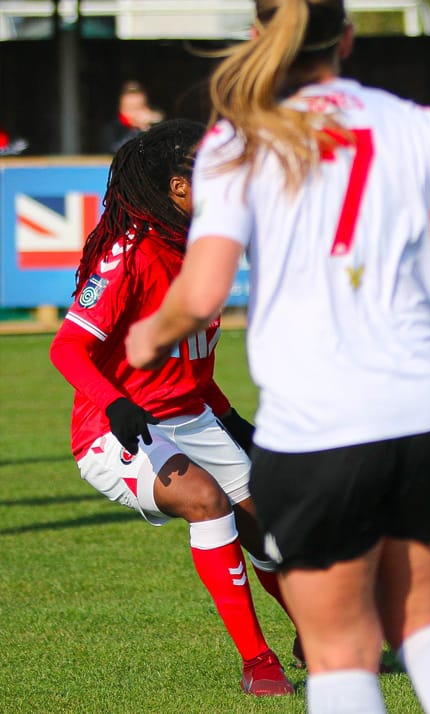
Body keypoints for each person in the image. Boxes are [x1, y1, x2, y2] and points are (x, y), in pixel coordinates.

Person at [124, 1, 430, 712]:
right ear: (349, 39)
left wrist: (148, 336)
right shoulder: (413, 123)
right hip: (426, 414)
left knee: (339, 654)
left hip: (316, 425)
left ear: (258, 38)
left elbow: (202, 292)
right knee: (428, 624)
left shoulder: (239, 142)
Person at [48, 119, 296, 697]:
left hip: (192, 417)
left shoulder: (205, 248)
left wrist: (233, 422)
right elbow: (67, 347)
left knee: (268, 522)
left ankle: (315, 636)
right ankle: (258, 662)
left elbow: (190, 365)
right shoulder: (126, 251)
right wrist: (114, 404)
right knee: (207, 501)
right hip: (115, 428)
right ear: (180, 188)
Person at [102, 81, 165, 153]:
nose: (134, 113)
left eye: (138, 107)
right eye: (130, 108)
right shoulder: (112, 129)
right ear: (121, 109)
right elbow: (115, 151)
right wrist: (138, 131)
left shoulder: (154, 127)